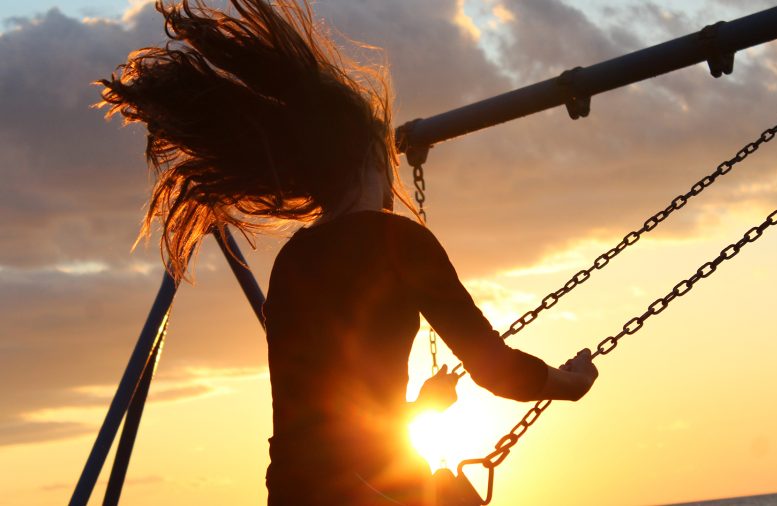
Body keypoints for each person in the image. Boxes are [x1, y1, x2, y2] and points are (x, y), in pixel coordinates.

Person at [98, 1, 599, 504]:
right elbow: (494, 370)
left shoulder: (293, 260)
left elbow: (322, 419)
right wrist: (569, 383)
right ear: (369, 156)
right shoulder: (396, 240)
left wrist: (418, 409)